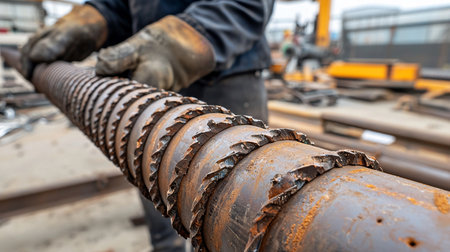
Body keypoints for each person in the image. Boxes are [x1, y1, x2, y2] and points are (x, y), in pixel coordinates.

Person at [20, 1, 274, 251]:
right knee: (155, 184)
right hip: (150, 70)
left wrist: (186, 36)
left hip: (227, 75)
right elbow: (124, 8)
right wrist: (97, 17)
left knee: (239, 213)